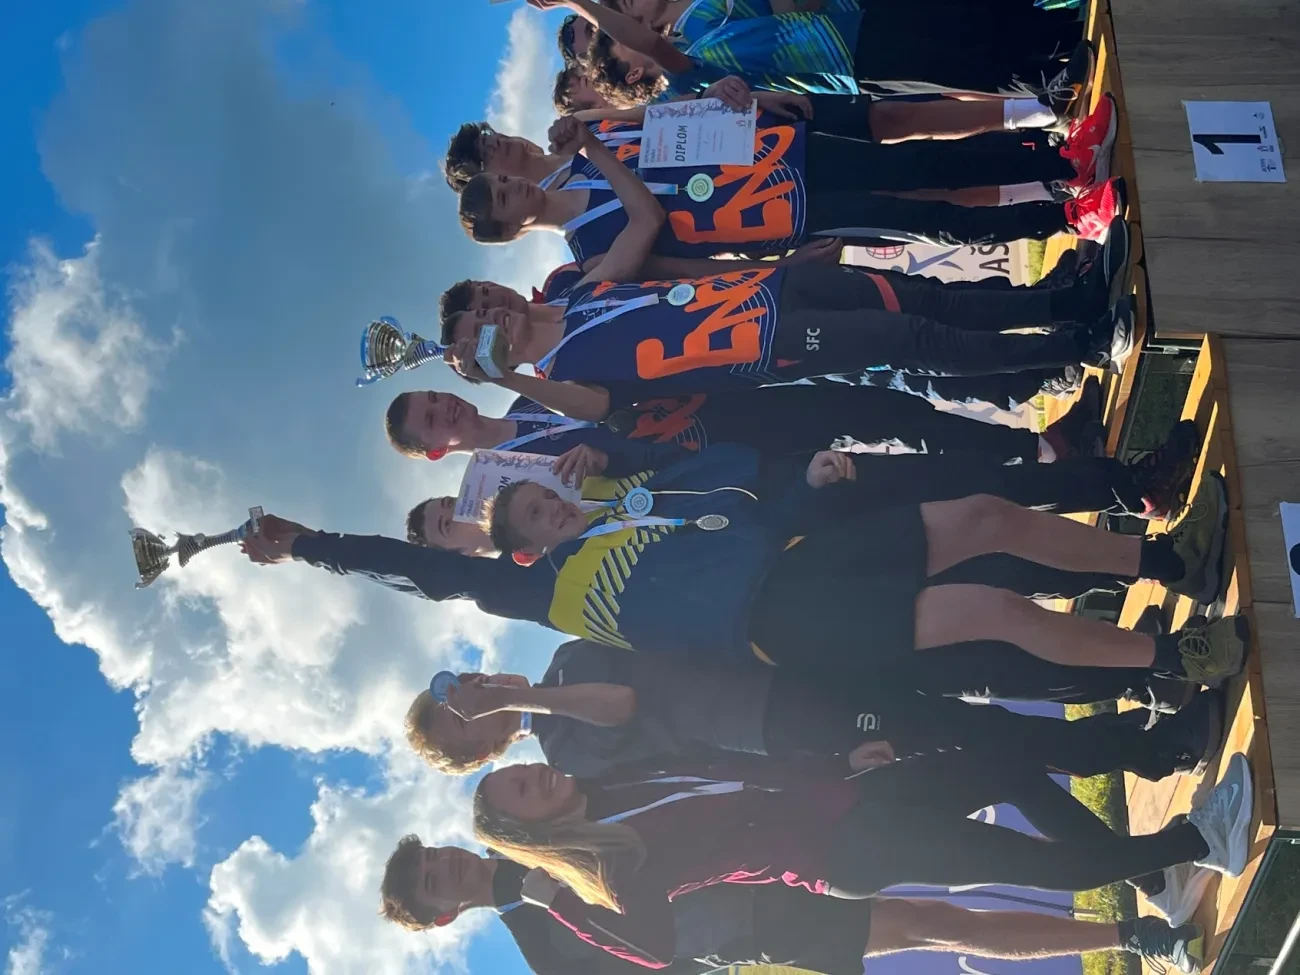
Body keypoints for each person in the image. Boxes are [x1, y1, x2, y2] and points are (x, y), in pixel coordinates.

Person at [483, 448, 1244, 673]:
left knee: (986, 514)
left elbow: (740, 522)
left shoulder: (626, 499)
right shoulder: (568, 596)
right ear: (527, 550)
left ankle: (1170, 560)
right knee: (996, 610)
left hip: (800, 552)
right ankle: (1174, 659)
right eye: (535, 519)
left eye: (545, 496)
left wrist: (805, 491)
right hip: (786, 623)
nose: (553, 509)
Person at [469, 752, 1252, 970]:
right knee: (1015, 857)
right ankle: (1196, 843)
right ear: (526, 831)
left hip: (841, 795)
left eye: (520, 769)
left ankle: (1156, 874)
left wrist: (837, 762)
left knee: (1008, 769)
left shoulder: (617, 783)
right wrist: (555, 902)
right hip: (837, 849)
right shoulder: (609, 869)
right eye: (521, 791)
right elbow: (652, 947)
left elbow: (733, 768)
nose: (534, 773)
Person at [405, 641, 1224, 783]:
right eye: (468, 710)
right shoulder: (563, 752)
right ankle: (1156, 751)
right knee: (968, 732)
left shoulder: (564, 652)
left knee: (965, 677)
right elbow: (624, 705)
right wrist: (520, 699)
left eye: (465, 683)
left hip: (789, 662)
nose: (480, 687)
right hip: (784, 725)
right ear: (482, 749)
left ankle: (1136, 702)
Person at [377, 840, 1206, 974]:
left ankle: (1133, 877)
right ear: (446, 914)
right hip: (761, 924)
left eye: (439, 856)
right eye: (438, 880)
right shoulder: (539, 948)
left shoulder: (535, 835)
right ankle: (1135, 935)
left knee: (945, 860)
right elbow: (657, 963)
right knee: (938, 922)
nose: (452, 866)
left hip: (761, 849)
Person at [452, 101, 1125, 259]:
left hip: (775, 154)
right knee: (929, 219)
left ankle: (1061, 160)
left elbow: (664, 122)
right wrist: (781, 264)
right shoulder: (588, 254)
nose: (516, 187)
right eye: (505, 197)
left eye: (505, 181)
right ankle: (1069, 217)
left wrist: (730, 100)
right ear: (509, 230)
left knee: (923, 162)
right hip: (786, 216)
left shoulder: (584, 142)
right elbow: (675, 262)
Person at [539, 0, 1090, 102]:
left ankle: (1058, 36)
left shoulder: (699, 13)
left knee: (961, 22)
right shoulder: (691, 69)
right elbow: (644, 41)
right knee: (957, 67)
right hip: (845, 62)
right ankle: (1048, 85)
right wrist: (575, 1)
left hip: (848, 16)